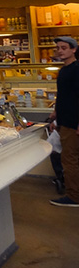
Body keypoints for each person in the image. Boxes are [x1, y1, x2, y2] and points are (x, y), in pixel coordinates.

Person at [48, 35, 79, 207]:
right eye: (58, 48)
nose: (60, 50)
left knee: (69, 160)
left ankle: (74, 197)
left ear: (74, 49)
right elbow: (64, 97)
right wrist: (55, 114)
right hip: (65, 121)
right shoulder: (64, 70)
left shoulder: (76, 70)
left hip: (73, 124)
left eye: (64, 47)